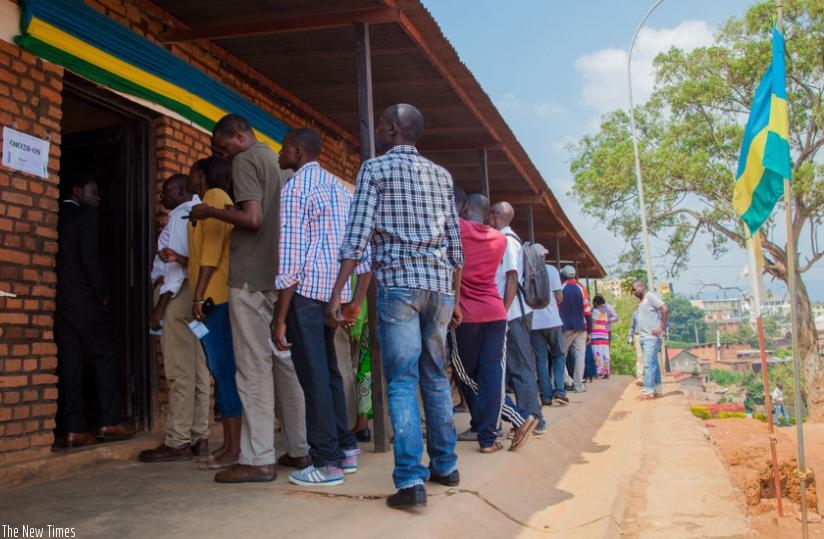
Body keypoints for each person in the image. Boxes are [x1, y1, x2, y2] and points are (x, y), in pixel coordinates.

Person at [326, 103, 463, 510]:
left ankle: (409, 483)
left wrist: (338, 293)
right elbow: (456, 248)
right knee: (436, 377)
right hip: (439, 288)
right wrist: (453, 297)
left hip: (399, 286)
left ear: (389, 129)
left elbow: (357, 235)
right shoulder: (442, 176)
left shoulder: (374, 169)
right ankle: (446, 466)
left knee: (402, 381)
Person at [191, 114, 308, 483]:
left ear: (239, 136)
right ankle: (299, 448)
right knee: (284, 365)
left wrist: (212, 211)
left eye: (223, 147)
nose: (222, 155)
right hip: (277, 277)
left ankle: (258, 458)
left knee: (252, 368)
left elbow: (253, 218)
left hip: (250, 280)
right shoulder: (278, 164)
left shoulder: (245, 161)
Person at [271, 128, 371, 486]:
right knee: (329, 372)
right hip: (333, 297)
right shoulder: (340, 190)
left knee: (313, 378)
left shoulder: (296, 189)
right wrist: (352, 302)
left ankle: (326, 462)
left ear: (297, 152)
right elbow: (361, 253)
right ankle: (345, 448)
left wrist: (279, 318)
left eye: (283, 148)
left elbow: (291, 261)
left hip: (305, 298)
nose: (280, 153)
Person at [452, 194, 537, 453]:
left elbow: (455, 265)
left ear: (465, 208)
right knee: (491, 375)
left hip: (466, 314)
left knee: (466, 375)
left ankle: (517, 417)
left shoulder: (457, 228)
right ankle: (488, 439)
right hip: (496, 312)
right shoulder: (500, 239)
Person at [54, 174, 133, 448]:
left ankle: (74, 429)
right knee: (105, 355)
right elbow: (89, 258)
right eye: (94, 192)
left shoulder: (54, 213)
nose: (98, 199)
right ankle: (109, 421)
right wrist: (102, 293)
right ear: (76, 191)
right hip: (84, 299)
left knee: (71, 361)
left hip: (60, 301)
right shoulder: (86, 215)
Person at [140, 174, 209, 462]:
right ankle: (199, 435)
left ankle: (178, 440)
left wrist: (160, 308)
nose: (162, 198)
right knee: (199, 369)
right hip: (197, 296)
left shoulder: (182, 214)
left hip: (177, 296)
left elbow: (175, 264)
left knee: (180, 370)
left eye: (167, 191)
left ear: (183, 191)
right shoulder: (199, 211)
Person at [487, 202, 546, 436]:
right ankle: (530, 417)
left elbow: (512, 278)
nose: (487, 217)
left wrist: (503, 311)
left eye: (491, 213)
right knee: (519, 366)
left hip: (513, 314)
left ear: (496, 215)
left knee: (521, 367)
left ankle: (534, 419)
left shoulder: (508, 241)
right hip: (516, 312)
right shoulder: (511, 239)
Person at [529, 249, 568, 406]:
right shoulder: (551, 270)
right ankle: (559, 391)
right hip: (552, 320)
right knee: (558, 355)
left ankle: (545, 396)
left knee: (541, 359)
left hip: (533, 323)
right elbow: (559, 297)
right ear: (544, 256)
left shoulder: (526, 272)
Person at [631, 280, 669, 400]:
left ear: (642, 287)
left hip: (651, 338)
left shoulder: (650, 297)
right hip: (644, 337)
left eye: (634, 289)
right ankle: (657, 389)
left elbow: (665, 309)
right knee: (654, 364)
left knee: (648, 364)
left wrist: (662, 327)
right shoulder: (641, 302)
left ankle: (648, 391)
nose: (633, 292)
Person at [558, 266, 591, 393]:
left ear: (564, 276)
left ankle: (566, 380)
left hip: (565, 327)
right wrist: (590, 331)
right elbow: (587, 311)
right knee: (580, 356)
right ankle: (578, 385)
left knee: (560, 356)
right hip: (581, 327)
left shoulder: (561, 288)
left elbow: (557, 307)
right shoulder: (581, 288)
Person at [591, 295, 612, 379]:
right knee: (605, 353)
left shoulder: (595, 311)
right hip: (604, 335)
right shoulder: (605, 312)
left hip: (596, 335)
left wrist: (589, 332)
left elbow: (593, 323)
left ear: (595, 303)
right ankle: (606, 371)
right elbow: (606, 322)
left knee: (597, 353)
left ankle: (598, 371)